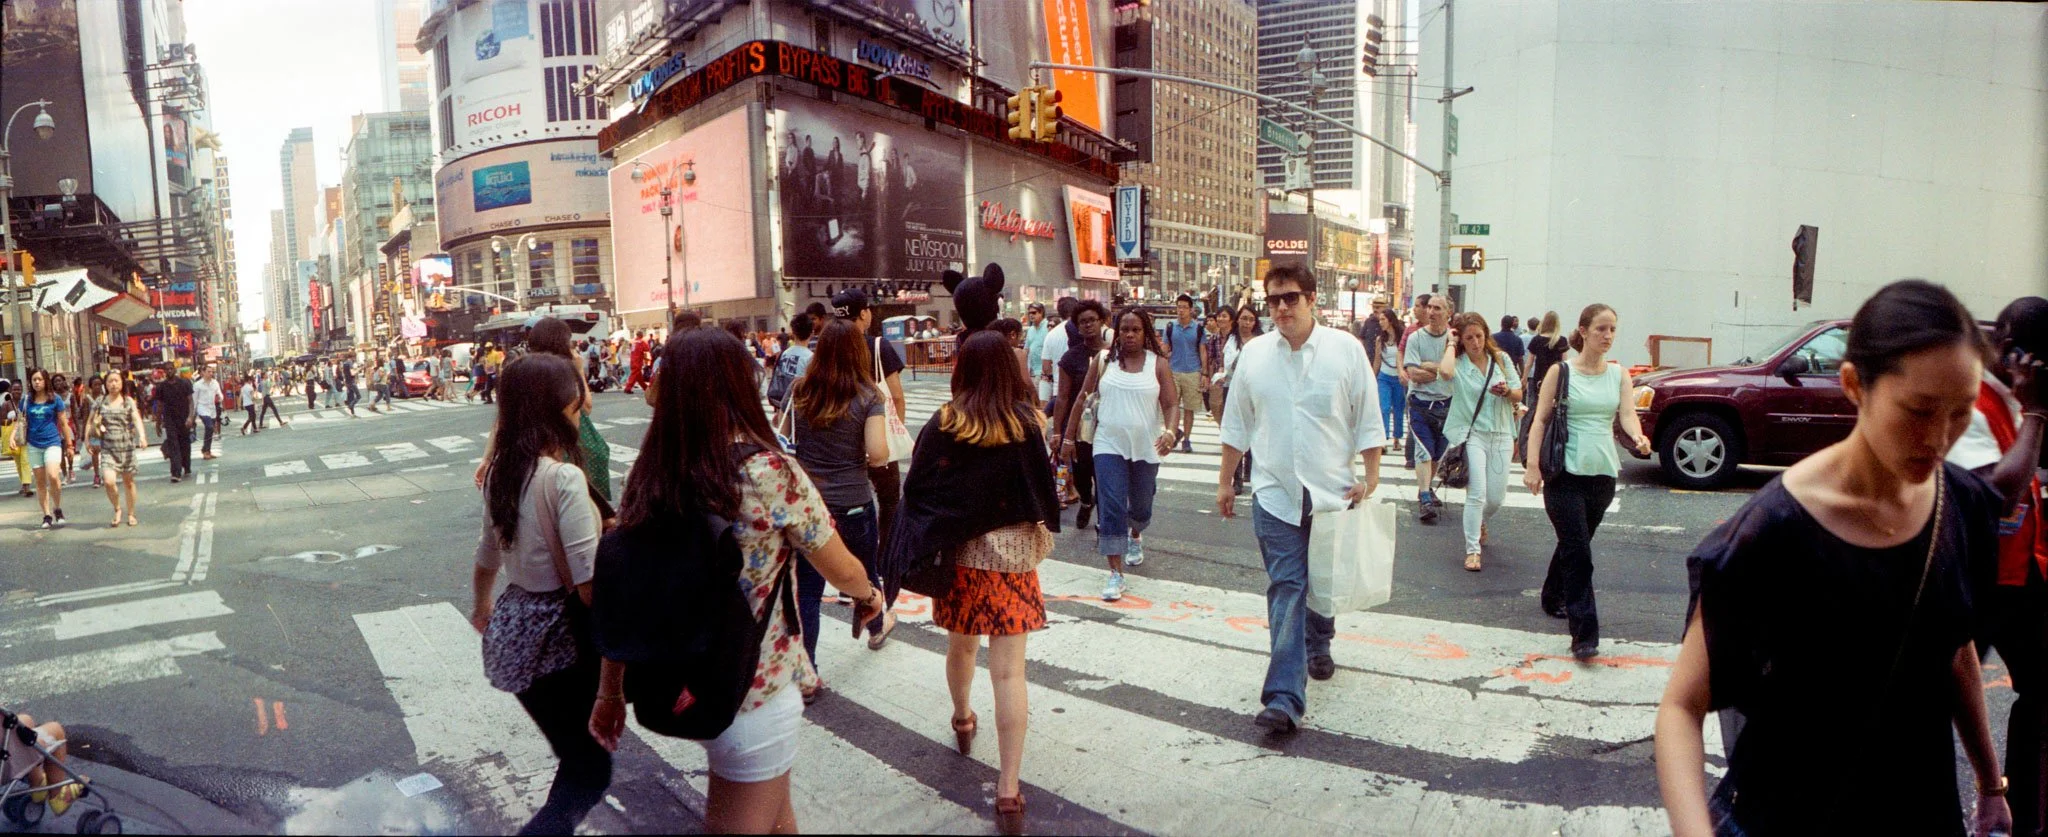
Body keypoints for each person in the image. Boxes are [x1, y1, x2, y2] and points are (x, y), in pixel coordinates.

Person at [1655, 280, 2013, 836]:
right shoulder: (1772, 530)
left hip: (1921, 813)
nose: (1940, 438)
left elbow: (1956, 650)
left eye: (1962, 413)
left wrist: (1992, 784)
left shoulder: (1965, 506)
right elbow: (1681, 707)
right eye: (1919, 411)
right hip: (1786, 816)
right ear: (1854, 386)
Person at [587, 328, 886, 835]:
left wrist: (610, 692)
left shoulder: (653, 472)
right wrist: (871, 596)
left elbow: (628, 588)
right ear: (741, 386)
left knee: (776, 816)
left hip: (683, 675)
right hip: (753, 688)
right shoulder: (769, 472)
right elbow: (842, 567)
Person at [885, 330, 1060, 836]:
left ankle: (962, 718)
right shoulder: (1028, 422)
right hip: (1013, 563)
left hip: (961, 559)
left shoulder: (945, 422)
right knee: (1009, 673)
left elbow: (918, 489)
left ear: (962, 369)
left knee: (961, 648)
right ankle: (1008, 790)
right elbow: (1041, 492)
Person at [1217, 265, 1384, 735]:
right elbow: (1237, 424)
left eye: (1290, 297)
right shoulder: (1253, 355)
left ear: (1312, 299)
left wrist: (1370, 478)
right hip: (1275, 494)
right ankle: (1284, 698)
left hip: (1332, 493)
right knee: (1288, 587)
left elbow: (1367, 418)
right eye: (1274, 300)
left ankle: (1320, 639)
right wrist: (1226, 481)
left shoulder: (1345, 350)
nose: (1282, 308)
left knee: (1323, 583)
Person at [468, 353, 610, 835]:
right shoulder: (563, 478)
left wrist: (481, 605)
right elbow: (587, 585)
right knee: (588, 772)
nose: (581, 407)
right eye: (575, 400)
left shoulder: (503, 470)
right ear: (557, 408)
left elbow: (487, 553)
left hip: (516, 636)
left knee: (575, 759)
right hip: (563, 642)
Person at [1947, 296, 2048, 835]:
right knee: (1937, 696)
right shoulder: (1973, 404)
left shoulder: (2016, 395)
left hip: (2018, 574)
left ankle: (2024, 818)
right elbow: (2001, 494)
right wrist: (2037, 411)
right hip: (1970, 578)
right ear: (2014, 350)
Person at [1523, 304, 1650, 657]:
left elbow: (1627, 416)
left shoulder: (1619, 375)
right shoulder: (1561, 373)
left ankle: (1552, 595)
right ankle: (1584, 636)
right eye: (1601, 329)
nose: (1608, 336)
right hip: (1563, 473)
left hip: (1603, 475)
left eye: (1612, 330)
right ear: (1583, 331)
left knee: (1574, 542)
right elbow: (1539, 421)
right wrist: (1532, 466)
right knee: (1580, 552)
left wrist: (1638, 437)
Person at [787, 318, 897, 697]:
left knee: (808, 591)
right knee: (866, 570)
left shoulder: (801, 390)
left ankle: (807, 673)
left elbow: (781, 436)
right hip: (853, 500)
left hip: (809, 504)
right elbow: (879, 453)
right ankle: (876, 625)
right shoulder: (869, 396)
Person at [1063, 307, 1178, 601]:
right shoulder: (1103, 361)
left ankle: (1136, 534)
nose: (1129, 334)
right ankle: (1115, 573)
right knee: (1111, 504)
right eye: (1124, 329)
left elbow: (1171, 404)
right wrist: (1067, 437)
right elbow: (1081, 399)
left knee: (1140, 507)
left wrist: (1170, 432)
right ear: (1116, 331)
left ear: (1145, 333)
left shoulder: (1158, 364)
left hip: (1146, 446)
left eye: (1135, 329)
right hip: (1108, 443)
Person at [1437, 312, 1525, 572]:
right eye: (1468, 338)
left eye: (1479, 336)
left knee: (1496, 498)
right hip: (1473, 433)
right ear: (1461, 340)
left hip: (1501, 432)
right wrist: (1451, 344)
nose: (1475, 342)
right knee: (1476, 493)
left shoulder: (1502, 359)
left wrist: (1507, 392)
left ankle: (1479, 522)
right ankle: (1472, 549)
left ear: (1486, 335)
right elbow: (1444, 372)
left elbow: (1519, 391)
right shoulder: (1460, 363)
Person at [831, 287, 910, 565]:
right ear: (864, 313)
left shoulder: (828, 349)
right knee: (888, 501)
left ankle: (847, 565)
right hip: (878, 440)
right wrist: (893, 431)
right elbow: (897, 396)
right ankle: (883, 559)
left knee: (847, 506)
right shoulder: (877, 346)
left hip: (841, 442)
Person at [1048, 300, 1111, 528]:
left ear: (1102, 321)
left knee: (1104, 477)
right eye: (1082, 322)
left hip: (1108, 427)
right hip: (1080, 429)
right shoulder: (1071, 358)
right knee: (1083, 476)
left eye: (1092, 320)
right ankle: (1086, 501)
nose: (1088, 325)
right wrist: (1058, 433)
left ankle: (1104, 522)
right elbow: (1063, 397)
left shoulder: (1114, 353)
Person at [1404, 295, 1454, 520]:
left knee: (1437, 455)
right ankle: (1424, 497)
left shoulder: (1454, 340)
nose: (1431, 312)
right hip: (1420, 404)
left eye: (1437, 308)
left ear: (1448, 313)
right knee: (1423, 451)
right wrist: (1441, 370)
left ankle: (1426, 487)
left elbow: (1455, 371)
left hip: (1447, 404)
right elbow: (1414, 374)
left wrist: (1431, 367)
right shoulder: (1415, 338)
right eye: (1429, 307)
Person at [1216, 305, 1264, 495]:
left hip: (1255, 390)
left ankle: (1249, 470)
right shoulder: (1232, 340)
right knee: (1236, 430)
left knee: (1254, 430)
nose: (1247, 323)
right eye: (1244, 318)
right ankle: (1235, 478)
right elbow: (1227, 364)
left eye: (1251, 319)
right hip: (1232, 388)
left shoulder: (1261, 341)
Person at [16, 370, 74, 528]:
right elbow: (20, 421)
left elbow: (63, 423)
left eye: (40, 379)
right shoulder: (26, 401)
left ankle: (58, 508)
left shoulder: (55, 399)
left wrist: (69, 445)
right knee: (40, 482)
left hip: (52, 442)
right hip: (33, 444)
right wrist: (12, 437)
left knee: (53, 476)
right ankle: (47, 515)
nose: (37, 382)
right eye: (34, 380)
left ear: (45, 381)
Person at [90, 371, 147, 527]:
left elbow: (136, 419)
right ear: (105, 384)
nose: (113, 384)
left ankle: (131, 513)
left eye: (116, 381)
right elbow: (90, 422)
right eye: (110, 381)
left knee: (129, 482)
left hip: (126, 447)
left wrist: (142, 436)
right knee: (109, 482)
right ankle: (117, 509)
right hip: (108, 448)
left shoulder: (128, 401)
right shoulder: (100, 402)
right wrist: (87, 440)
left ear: (122, 383)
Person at [1163, 294, 1208, 454]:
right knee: (1169, 405)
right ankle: (1175, 432)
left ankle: (1186, 439)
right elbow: (1165, 349)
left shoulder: (1198, 328)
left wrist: (1204, 373)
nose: (1181, 310)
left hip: (1192, 372)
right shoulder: (1170, 327)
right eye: (1178, 307)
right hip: (1173, 372)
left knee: (1189, 408)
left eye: (1184, 307)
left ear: (1191, 310)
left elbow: (1203, 351)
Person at [1369, 308, 1407, 458]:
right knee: (1383, 408)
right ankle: (1383, 439)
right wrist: (1372, 377)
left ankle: (1397, 437)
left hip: (1398, 377)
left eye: (1383, 319)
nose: (1381, 323)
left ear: (1390, 320)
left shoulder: (1402, 338)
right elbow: (1377, 360)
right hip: (1384, 377)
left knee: (1398, 408)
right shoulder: (1380, 340)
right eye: (1380, 320)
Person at [155, 363, 195, 483]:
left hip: (183, 419)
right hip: (170, 420)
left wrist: (190, 417)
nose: (169, 371)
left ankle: (186, 466)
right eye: (167, 369)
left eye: (171, 369)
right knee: (174, 445)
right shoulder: (162, 387)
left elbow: (191, 402)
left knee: (185, 444)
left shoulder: (185, 383)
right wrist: (158, 423)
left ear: (175, 370)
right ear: (165, 372)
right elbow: (160, 405)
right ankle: (175, 473)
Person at [1038, 297, 1076, 413]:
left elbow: (1046, 367)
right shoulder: (1082, 331)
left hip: (1058, 391)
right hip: (1079, 389)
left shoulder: (1051, 335)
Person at [192, 364, 223, 459]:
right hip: (202, 409)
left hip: (212, 409)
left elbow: (220, 394)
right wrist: (193, 414)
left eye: (212, 372)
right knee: (209, 427)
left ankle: (207, 450)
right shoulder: (197, 385)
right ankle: (205, 450)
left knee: (210, 431)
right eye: (208, 372)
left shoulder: (215, 383)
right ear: (203, 373)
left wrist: (220, 398)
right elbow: (194, 400)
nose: (211, 374)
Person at [1023, 302, 1050, 406]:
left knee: (1041, 403)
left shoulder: (1048, 327)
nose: (1031, 315)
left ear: (1041, 312)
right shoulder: (1030, 330)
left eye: (1034, 313)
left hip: (1044, 372)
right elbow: (1026, 349)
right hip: (1032, 372)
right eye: (1029, 313)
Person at [80, 376, 104, 486]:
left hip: (104, 429)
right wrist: (84, 433)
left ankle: (106, 474)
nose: (98, 387)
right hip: (93, 430)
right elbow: (85, 417)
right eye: (95, 384)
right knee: (95, 453)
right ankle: (97, 475)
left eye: (100, 384)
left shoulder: (105, 398)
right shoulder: (86, 399)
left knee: (105, 453)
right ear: (91, 386)